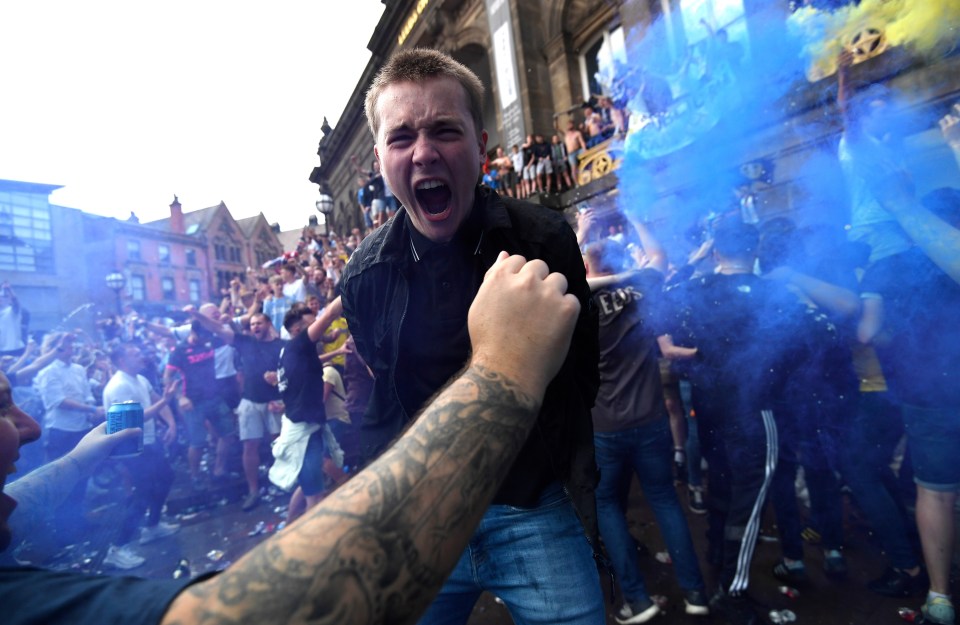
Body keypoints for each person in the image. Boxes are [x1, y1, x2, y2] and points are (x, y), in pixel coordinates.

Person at [0, 251, 580, 625]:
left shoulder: (295, 348)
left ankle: (293, 516)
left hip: (307, 423)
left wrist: (75, 462)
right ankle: (293, 521)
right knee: (315, 481)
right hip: (307, 428)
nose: (27, 428)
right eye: (4, 409)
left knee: (313, 481)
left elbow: (12, 509)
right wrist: (506, 367)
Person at [340, 48, 603, 624]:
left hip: (533, 508)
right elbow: (380, 389)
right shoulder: (364, 276)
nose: (424, 151)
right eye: (401, 136)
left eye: (444, 130)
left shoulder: (544, 238)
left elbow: (583, 371)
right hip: (422, 520)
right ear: (382, 161)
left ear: (482, 147)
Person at [658, 217, 841, 625]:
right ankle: (733, 593)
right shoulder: (774, 293)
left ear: (717, 250)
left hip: (711, 408)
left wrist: (694, 261)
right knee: (749, 503)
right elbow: (823, 336)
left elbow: (659, 306)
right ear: (755, 249)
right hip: (756, 411)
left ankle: (719, 564)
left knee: (723, 490)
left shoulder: (693, 290)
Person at [583, 234, 709, 623]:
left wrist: (583, 237)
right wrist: (636, 219)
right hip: (651, 421)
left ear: (588, 266)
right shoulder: (640, 290)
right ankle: (695, 593)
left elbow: (562, 273)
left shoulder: (578, 300)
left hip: (605, 428)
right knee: (666, 501)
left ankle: (637, 601)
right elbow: (657, 256)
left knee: (607, 507)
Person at [100, 342, 180, 569]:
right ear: (122, 361)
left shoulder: (141, 379)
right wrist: (165, 401)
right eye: (135, 353)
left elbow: (157, 400)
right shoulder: (118, 386)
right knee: (142, 494)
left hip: (149, 442)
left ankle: (152, 527)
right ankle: (117, 549)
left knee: (166, 478)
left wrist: (171, 423)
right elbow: (132, 419)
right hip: (130, 447)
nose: (141, 356)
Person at [225, 312, 285, 511]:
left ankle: (283, 481)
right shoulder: (245, 342)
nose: (255, 327)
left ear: (268, 323)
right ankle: (253, 491)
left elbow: (292, 371)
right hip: (250, 401)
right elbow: (218, 330)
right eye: (252, 324)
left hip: (275, 401)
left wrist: (278, 376)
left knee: (279, 443)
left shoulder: (281, 345)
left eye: (259, 323)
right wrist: (198, 316)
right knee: (249, 446)